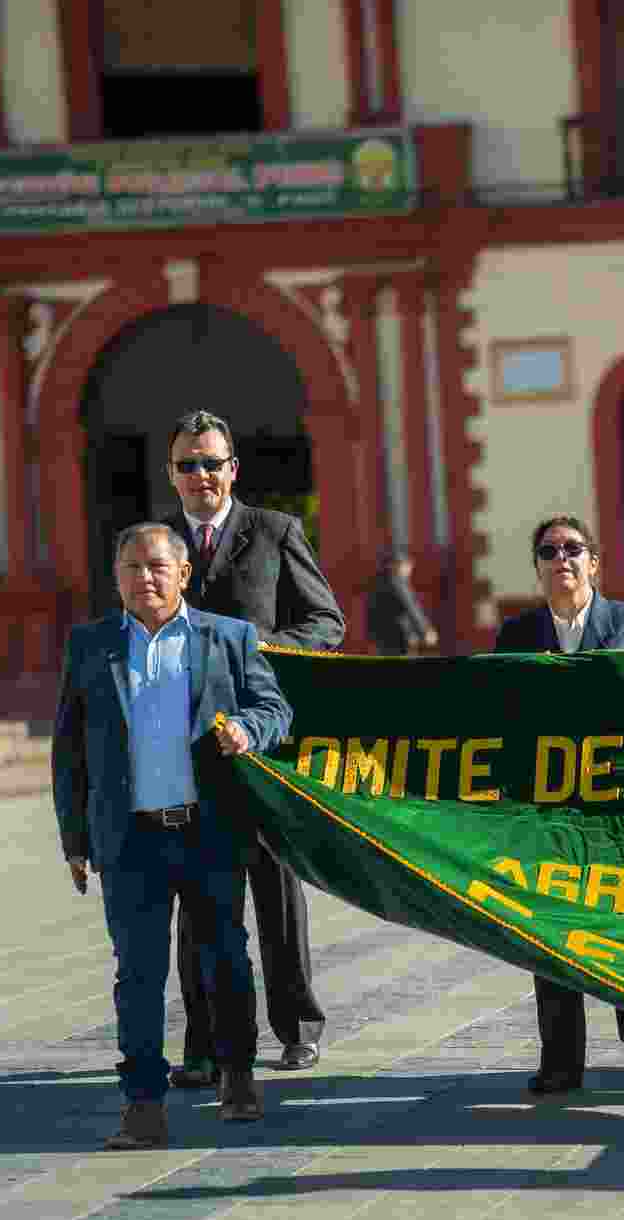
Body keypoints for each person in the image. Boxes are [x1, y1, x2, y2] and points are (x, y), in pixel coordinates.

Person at [52, 523, 293, 1149]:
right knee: (137, 972)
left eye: (157, 567)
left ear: (183, 573)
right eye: (131, 568)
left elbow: (276, 710)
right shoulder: (90, 645)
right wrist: (74, 838)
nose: (144, 579)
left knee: (226, 961)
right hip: (130, 840)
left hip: (209, 832)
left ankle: (237, 1075)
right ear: (117, 578)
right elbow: (69, 750)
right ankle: (142, 1102)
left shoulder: (228, 637)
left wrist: (246, 729)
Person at [159, 411, 344, 1085]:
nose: (201, 475)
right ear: (171, 474)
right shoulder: (157, 544)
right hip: (183, 752)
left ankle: (297, 1027)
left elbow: (327, 622)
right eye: (188, 464)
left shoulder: (275, 532)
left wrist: (265, 648)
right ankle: (203, 1045)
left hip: (263, 747)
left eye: (212, 462)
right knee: (197, 903)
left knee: (275, 892)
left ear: (233, 468)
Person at [495, 515, 624, 1095]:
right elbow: (495, 718)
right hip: (549, 812)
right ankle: (561, 1059)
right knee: (551, 931)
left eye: (574, 550)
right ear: (538, 567)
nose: (561, 559)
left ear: (594, 562)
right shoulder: (516, 635)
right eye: (549, 551)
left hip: (621, 811)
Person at [366, 546, 440, 656]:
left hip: (383, 640)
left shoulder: (378, 583)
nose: (409, 570)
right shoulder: (397, 583)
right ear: (398, 565)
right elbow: (410, 607)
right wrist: (425, 630)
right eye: (407, 565)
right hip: (400, 637)